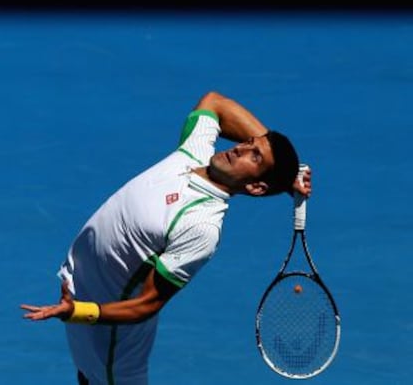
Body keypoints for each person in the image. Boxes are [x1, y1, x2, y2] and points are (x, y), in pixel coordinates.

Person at [21, 90, 312, 385]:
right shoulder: (194, 150)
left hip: (109, 336)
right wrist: (283, 174)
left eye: (255, 156)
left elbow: (147, 304)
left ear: (257, 188)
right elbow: (215, 102)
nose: (239, 148)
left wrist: (78, 311)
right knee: (87, 376)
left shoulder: (200, 226)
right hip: (82, 294)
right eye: (248, 142)